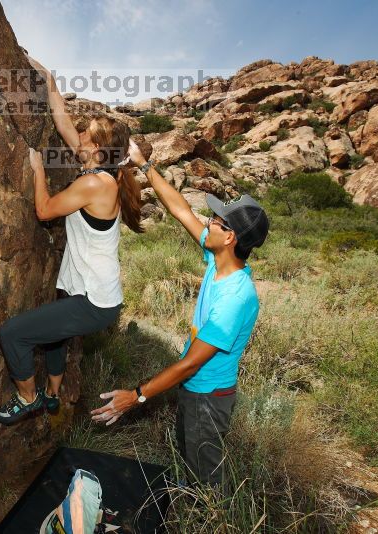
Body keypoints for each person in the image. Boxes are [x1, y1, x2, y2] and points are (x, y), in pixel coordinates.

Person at [91, 140, 269, 485]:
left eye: (216, 221)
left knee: (206, 476)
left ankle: (209, 519)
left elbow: (191, 363)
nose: (208, 222)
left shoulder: (236, 297)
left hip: (208, 396)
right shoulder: (217, 259)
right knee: (189, 460)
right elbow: (181, 210)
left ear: (230, 236)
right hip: (193, 389)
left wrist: (137, 396)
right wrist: (144, 166)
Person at [0, 58, 144, 425]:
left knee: (13, 333)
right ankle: (53, 396)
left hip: (95, 302)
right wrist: (49, 79)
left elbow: (45, 211)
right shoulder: (98, 169)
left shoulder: (95, 182)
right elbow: (62, 119)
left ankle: (28, 398)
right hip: (89, 292)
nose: (78, 136)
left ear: (96, 148)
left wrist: (39, 171)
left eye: (86, 134)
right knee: (55, 336)